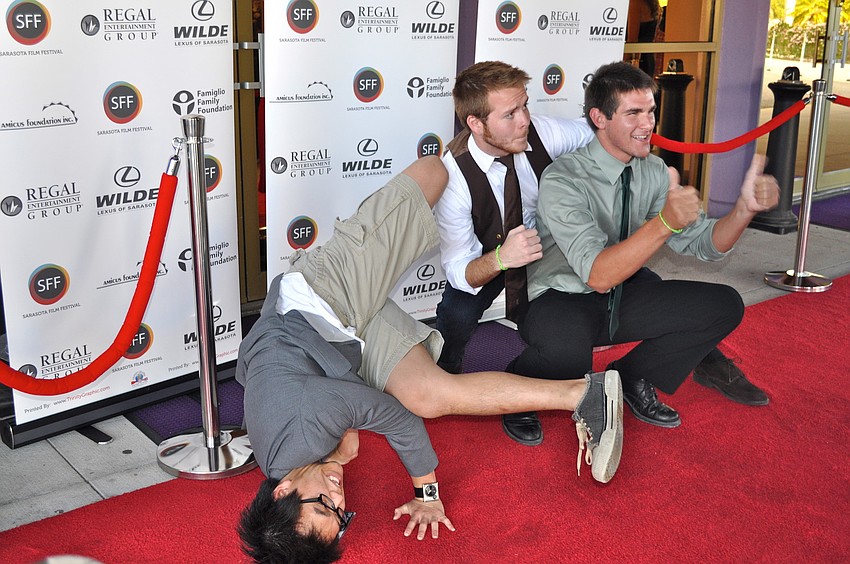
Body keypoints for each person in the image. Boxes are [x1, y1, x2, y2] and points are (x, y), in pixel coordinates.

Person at [236, 156, 624, 563]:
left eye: (320, 504)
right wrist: (334, 448)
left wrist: (426, 493)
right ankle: (585, 393)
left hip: (326, 290)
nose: (337, 494)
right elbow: (252, 373)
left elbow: (394, 419)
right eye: (340, 513)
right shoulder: (278, 460)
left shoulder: (307, 422)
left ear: (282, 491)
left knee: (433, 176)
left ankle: (464, 150)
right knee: (430, 396)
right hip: (341, 340)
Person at [509, 61, 778, 431]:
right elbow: (598, 274)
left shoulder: (652, 170)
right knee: (569, 362)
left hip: (620, 293)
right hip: (561, 296)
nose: (648, 124)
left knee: (724, 305)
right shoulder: (564, 178)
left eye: (651, 111)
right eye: (633, 113)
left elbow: (704, 245)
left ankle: (632, 377)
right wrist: (665, 222)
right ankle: (516, 389)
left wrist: (744, 210)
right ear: (599, 118)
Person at [433, 60, 594, 445]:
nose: (524, 120)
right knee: (456, 312)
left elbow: (598, 134)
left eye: (524, 105)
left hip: (546, 248)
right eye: (510, 114)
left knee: (632, 278)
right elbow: (459, 269)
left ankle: (525, 398)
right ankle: (448, 373)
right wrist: (502, 259)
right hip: (490, 256)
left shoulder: (542, 131)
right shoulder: (452, 176)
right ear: (476, 123)